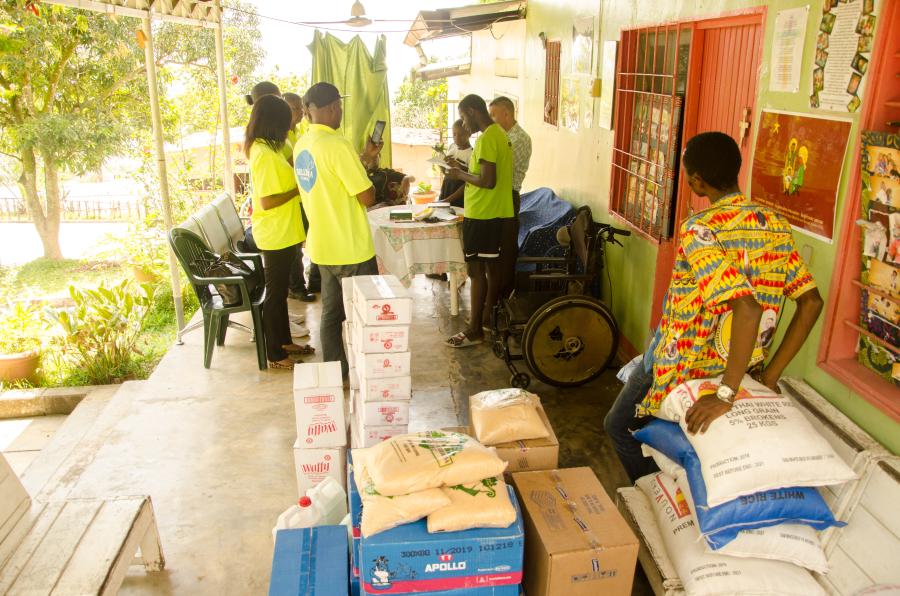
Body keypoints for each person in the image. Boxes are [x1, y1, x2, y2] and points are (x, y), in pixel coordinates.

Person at [604, 132, 824, 483]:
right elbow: (811, 302)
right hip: (745, 366)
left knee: (618, 427)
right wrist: (769, 376)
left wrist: (725, 393)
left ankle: (654, 493)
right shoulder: (776, 226)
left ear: (696, 181)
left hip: (684, 366)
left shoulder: (700, 229)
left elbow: (747, 309)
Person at [294, 82, 381, 378]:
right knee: (367, 315)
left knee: (331, 315)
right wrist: (368, 174)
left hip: (323, 247)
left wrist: (366, 159)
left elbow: (333, 179)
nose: (341, 111)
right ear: (332, 108)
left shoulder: (303, 144)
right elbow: (366, 196)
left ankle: (336, 373)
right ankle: (372, 375)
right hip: (351, 248)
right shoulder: (337, 144)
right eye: (339, 106)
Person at [244, 94, 314, 370]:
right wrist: (297, 189)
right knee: (274, 295)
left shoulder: (270, 148)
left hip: (283, 230)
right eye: (286, 121)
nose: (290, 126)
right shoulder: (261, 153)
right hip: (274, 232)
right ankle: (275, 354)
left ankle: (284, 342)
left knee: (281, 292)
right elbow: (267, 201)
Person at [444, 94, 514, 348]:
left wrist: (458, 173)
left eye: (464, 118)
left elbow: (487, 180)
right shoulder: (499, 135)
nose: (464, 125)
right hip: (493, 213)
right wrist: (462, 168)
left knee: (476, 271)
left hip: (482, 214)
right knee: (489, 269)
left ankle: (475, 329)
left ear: (473, 112)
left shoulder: (486, 140)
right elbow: (486, 175)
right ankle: (484, 318)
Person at [489, 96, 532, 297]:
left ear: (506, 114)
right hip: (498, 196)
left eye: (493, 115)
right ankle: (496, 294)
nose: (491, 120)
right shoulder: (502, 137)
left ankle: (504, 296)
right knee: (496, 247)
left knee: (506, 249)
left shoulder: (520, 139)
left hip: (509, 195)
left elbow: (501, 171)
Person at [282, 92, 316, 303]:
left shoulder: (296, 134)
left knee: (304, 240)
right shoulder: (282, 139)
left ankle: (310, 281)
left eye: (301, 110)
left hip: (303, 198)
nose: (300, 114)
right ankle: (296, 287)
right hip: (293, 200)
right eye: (294, 109)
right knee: (296, 245)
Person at [440, 119, 473, 206]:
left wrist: (460, 167)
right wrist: (442, 165)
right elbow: (446, 173)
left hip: (459, 194)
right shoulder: (452, 147)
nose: (457, 138)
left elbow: (470, 179)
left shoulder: (472, 154)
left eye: (461, 135)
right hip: (447, 188)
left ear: (469, 133)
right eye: (454, 134)